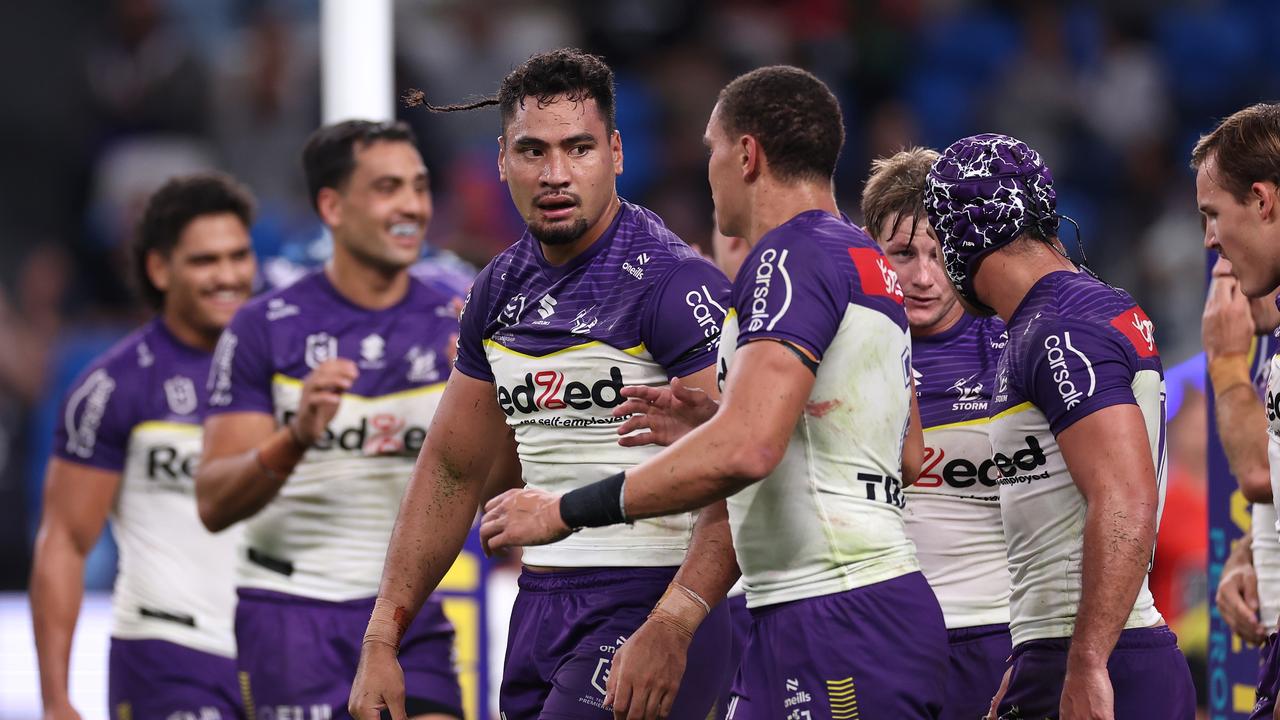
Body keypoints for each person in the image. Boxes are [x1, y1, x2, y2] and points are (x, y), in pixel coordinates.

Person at [479, 64, 947, 718]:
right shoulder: (865, 262)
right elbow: (903, 453)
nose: (710, 169)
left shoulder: (788, 258)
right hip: (837, 607)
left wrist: (564, 510)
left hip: (835, 615)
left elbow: (747, 450)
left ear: (747, 154)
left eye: (713, 150)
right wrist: (721, 421)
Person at [349, 49, 734, 720]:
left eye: (578, 148)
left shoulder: (675, 284)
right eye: (533, 151)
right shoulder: (497, 290)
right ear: (502, 159)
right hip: (542, 605)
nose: (555, 174)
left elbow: (748, 466)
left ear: (616, 152)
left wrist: (674, 623)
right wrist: (383, 636)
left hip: (653, 597)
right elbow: (449, 470)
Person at [920, 133, 1194, 719]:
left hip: (1106, 659)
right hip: (1067, 650)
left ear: (962, 235)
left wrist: (1087, 663)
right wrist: (1030, 660)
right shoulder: (1074, 310)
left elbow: (1125, 497)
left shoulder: (1058, 326)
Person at [196, 120, 463, 719]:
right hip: (293, 610)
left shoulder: (457, 314)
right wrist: (296, 438)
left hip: (405, 611)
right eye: (388, 188)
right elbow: (214, 504)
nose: (411, 207)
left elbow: (498, 482)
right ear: (332, 206)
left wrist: (492, 404)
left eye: (419, 187)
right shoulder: (265, 325)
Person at [31, 173, 257, 720]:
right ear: (159, 269)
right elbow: (64, 542)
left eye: (238, 256)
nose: (227, 276)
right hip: (166, 655)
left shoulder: (292, 369)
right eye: (205, 261)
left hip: (286, 651)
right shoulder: (113, 387)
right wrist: (55, 699)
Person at [861, 147, 1012, 720]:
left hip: (993, 638)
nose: (923, 277)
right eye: (903, 254)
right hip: (875, 638)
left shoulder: (1010, 353)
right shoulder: (831, 352)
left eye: (940, 254)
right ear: (872, 251)